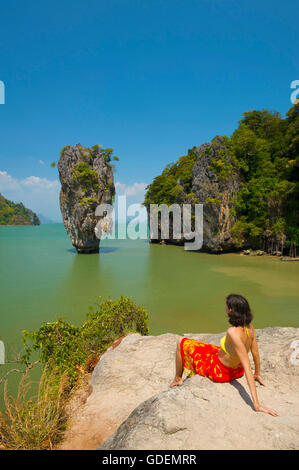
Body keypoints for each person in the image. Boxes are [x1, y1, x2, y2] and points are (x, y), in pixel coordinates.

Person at [170, 293, 279, 417]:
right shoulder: (249, 327)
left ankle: (177, 379)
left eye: (227, 306)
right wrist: (257, 374)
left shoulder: (232, 332)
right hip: (237, 370)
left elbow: (247, 365)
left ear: (231, 310)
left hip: (219, 371)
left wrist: (257, 404)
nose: (225, 309)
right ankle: (179, 377)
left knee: (181, 342)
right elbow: (255, 353)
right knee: (206, 347)